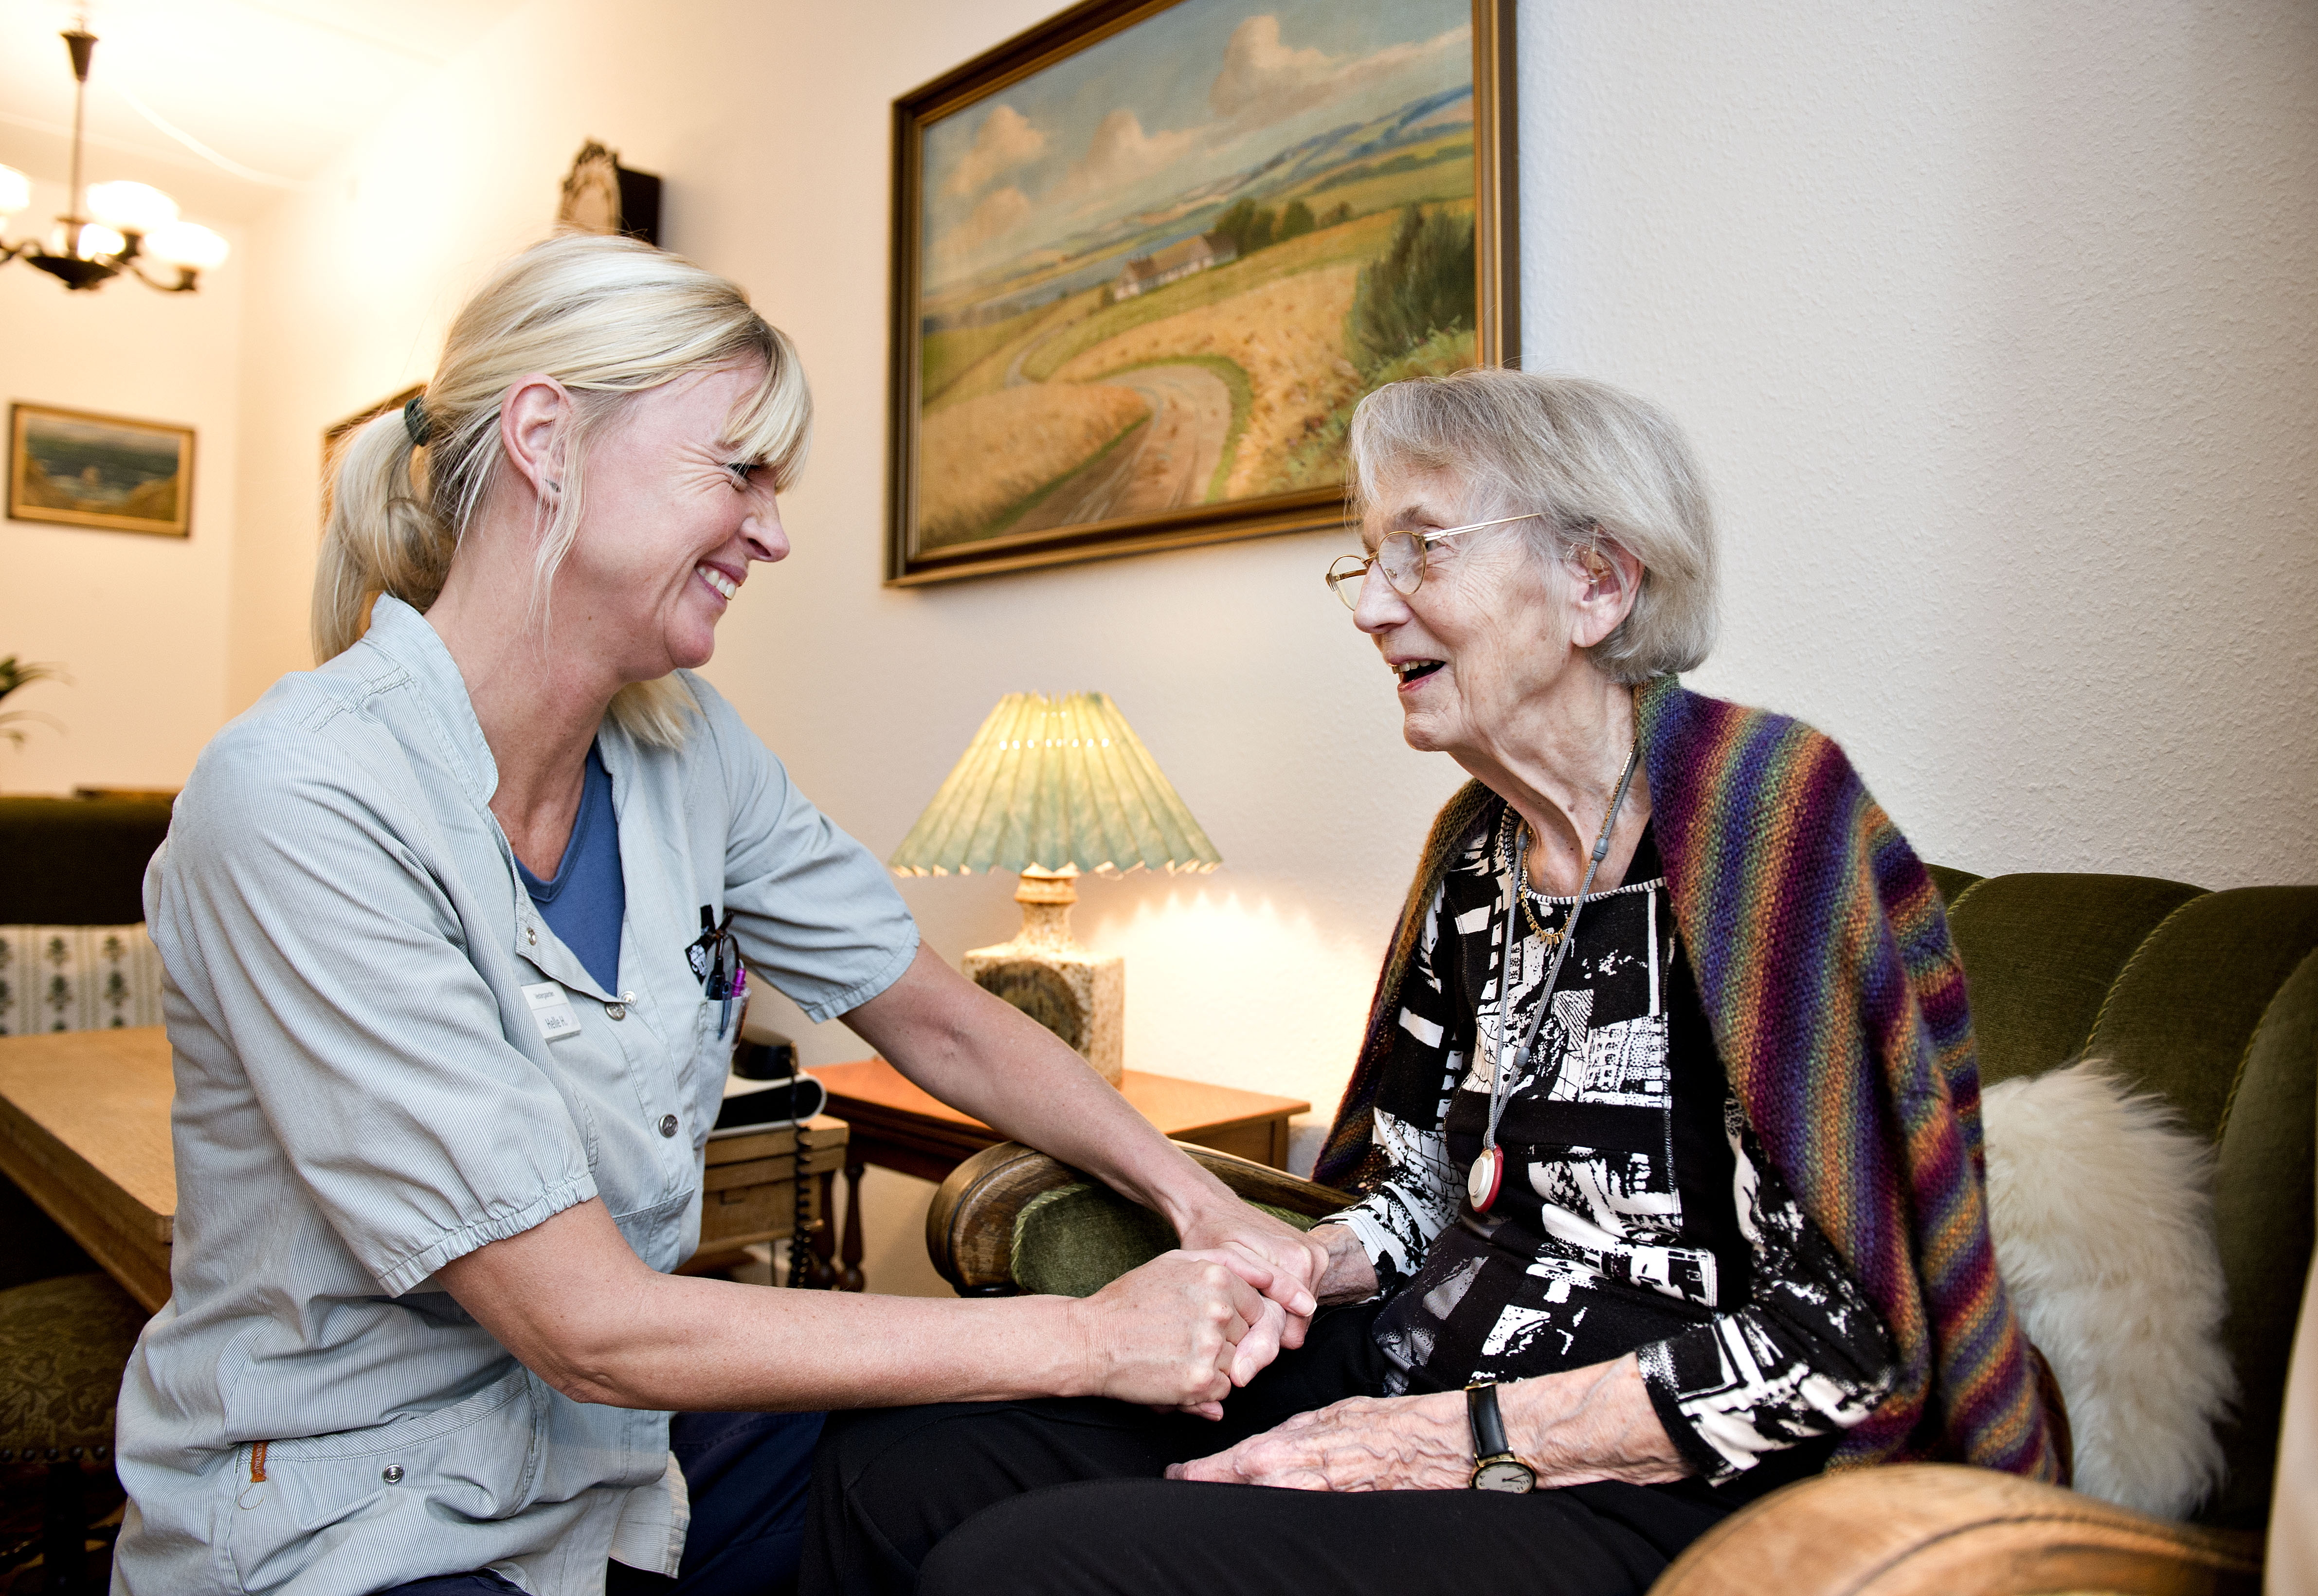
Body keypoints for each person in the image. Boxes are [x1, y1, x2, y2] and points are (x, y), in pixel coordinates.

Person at [110, 232, 1323, 1596]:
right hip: (359, 1516)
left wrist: (1195, 1201)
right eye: (738, 470)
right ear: (546, 440)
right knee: (1065, 1384)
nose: (775, 529)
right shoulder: (300, 797)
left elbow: (940, 1018)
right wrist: (1093, 1335)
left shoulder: (689, 746)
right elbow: (586, 1324)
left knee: (1017, 1468)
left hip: (613, 1459)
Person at [801, 368, 2064, 1596]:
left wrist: (1437, 1446)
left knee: (1014, 1569)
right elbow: (1420, 1193)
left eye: (1424, 549)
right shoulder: (1478, 850)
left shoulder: (1767, 830)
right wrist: (1296, 1269)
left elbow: (1847, 1337)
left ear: (1597, 583)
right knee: (890, 1470)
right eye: (1369, 560)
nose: (1372, 606)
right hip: (1413, 1371)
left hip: (1636, 1482)